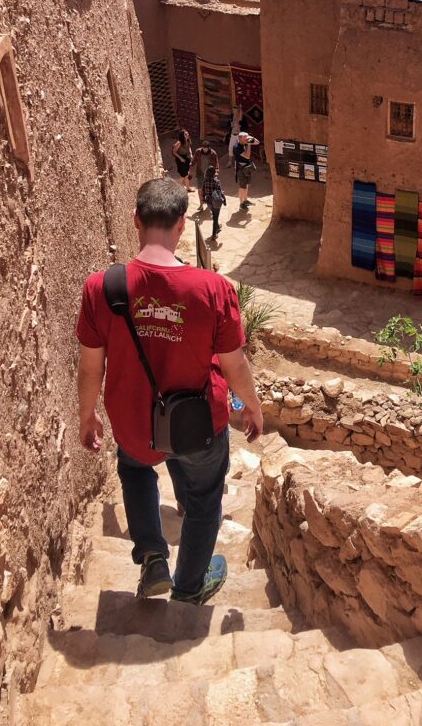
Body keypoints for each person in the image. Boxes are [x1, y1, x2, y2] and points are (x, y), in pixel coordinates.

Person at [75, 178, 264, 602]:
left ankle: (154, 558)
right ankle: (190, 588)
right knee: (202, 503)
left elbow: (90, 368)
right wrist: (251, 407)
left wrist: (87, 416)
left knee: (137, 469)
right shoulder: (213, 290)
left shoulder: (101, 289)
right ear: (182, 224)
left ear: (136, 221)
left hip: (133, 422)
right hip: (197, 425)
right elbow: (234, 364)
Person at [189, 140, 219, 211]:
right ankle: (201, 204)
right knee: (200, 189)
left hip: (210, 175)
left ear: (209, 148)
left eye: (206, 148)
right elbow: (193, 161)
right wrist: (190, 167)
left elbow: (216, 163)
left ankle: (210, 203)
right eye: (203, 148)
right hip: (200, 173)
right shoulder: (198, 152)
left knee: (210, 190)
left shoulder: (213, 153)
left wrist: (216, 171)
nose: (205, 149)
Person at [233, 130, 258, 212]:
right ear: (240, 138)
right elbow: (247, 156)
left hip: (247, 167)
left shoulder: (244, 142)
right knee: (242, 186)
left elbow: (257, 142)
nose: (247, 139)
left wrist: (251, 138)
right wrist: (250, 144)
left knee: (247, 184)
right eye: (245, 138)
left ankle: (245, 200)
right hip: (241, 168)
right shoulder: (237, 147)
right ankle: (241, 204)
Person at [202, 164, 226, 238]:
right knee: (215, 218)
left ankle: (217, 227)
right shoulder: (216, 181)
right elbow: (220, 192)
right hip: (216, 201)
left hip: (209, 201)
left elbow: (202, 191)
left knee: (214, 214)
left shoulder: (205, 181)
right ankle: (214, 234)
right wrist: (224, 200)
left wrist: (203, 200)